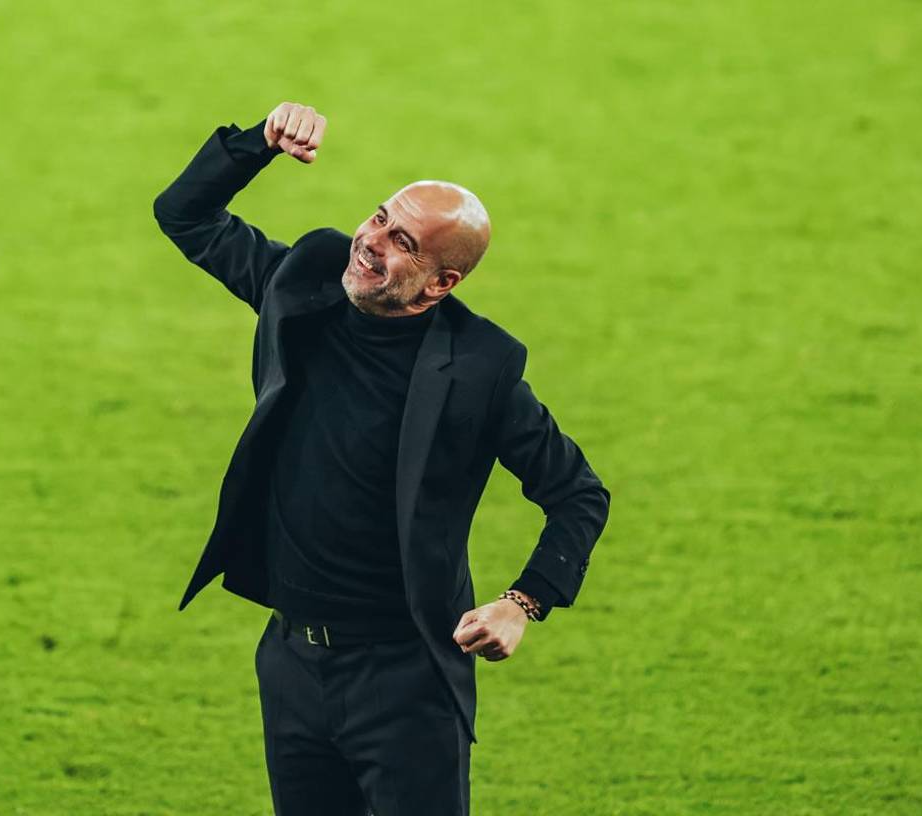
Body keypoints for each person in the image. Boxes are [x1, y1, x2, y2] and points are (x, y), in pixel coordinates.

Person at [153, 101, 611, 816]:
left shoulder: (480, 369)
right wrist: (259, 143)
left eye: (403, 243)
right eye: (377, 218)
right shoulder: (302, 279)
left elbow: (578, 493)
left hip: (405, 679)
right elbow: (184, 214)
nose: (371, 242)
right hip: (291, 662)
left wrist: (524, 603)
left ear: (440, 284)